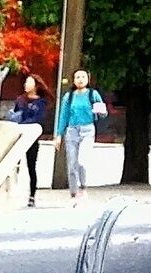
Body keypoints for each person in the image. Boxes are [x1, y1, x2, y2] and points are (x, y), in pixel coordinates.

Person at [55, 68, 106, 203]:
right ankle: (73, 193)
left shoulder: (93, 94)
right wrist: (59, 134)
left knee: (82, 161)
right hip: (72, 131)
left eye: (83, 77)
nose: (80, 79)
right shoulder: (69, 96)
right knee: (72, 163)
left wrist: (100, 111)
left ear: (88, 79)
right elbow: (63, 116)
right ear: (73, 80)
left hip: (87, 130)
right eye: (77, 77)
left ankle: (83, 187)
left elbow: (103, 112)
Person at [8, 75, 49, 207]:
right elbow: (15, 115)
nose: (26, 84)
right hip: (18, 136)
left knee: (31, 166)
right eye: (25, 82)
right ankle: (11, 191)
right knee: (14, 166)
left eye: (29, 82)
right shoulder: (20, 100)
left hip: (32, 137)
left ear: (36, 85)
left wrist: (24, 125)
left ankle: (32, 195)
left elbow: (39, 118)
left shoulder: (41, 102)